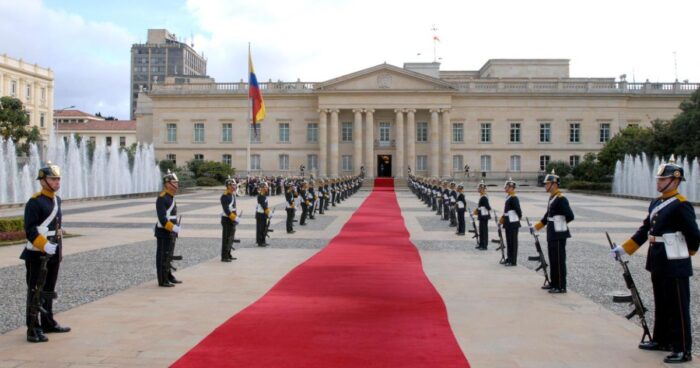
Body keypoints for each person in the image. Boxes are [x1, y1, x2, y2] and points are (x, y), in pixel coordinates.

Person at [611, 156, 699, 363]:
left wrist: (687, 253)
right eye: (658, 179)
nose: (658, 183)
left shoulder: (681, 205)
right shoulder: (656, 202)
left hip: (675, 261)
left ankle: (682, 348)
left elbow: (694, 235)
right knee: (662, 302)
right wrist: (625, 249)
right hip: (658, 259)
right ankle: (662, 339)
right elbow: (645, 230)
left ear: (675, 181)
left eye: (663, 179)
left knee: (678, 306)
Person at [22, 162, 71, 343]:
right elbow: (30, 230)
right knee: (35, 290)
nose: (57, 182)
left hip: (54, 252)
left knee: (48, 290)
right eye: (53, 179)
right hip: (37, 254)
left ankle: (48, 322)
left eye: (58, 179)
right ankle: (33, 328)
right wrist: (44, 245)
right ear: (43, 181)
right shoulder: (34, 202)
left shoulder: (56, 200)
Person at [531, 170, 574, 294]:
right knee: (553, 259)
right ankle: (554, 283)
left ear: (554, 184)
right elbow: (547, 217)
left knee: (559, 260)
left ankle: (561, 286)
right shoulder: (552, 198)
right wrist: (536, 227)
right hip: (552, 233)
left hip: (559, 234)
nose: (545, 185)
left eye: (547, 183)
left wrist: (560, 223)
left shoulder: (561, 199)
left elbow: (570, 216)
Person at [154, 169, 181, 287]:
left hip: (171, 231)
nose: (176, 185)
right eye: (174, 183)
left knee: (168, 255)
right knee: (162, 256)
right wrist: (173, 228)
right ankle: (162, 279)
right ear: (167, 184)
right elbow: (162, 219)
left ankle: (168, 275)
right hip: (163, 231)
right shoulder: (162, 197)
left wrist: (175, 228)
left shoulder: (171, 197)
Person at [499, 178, 521, 266]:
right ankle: (509, 258)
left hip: (513, 223)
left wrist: (517, 218)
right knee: (509, 241)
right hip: (508, 223)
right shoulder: (508, 197)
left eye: (507, 187)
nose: (505, 188)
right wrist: (502, 220)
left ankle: (513, 261)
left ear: (511, 188)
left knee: (513, 242)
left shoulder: (514, 198)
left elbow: (518, 211)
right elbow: (506, 211)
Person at [220, 177, 239, 262]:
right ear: (228, 186)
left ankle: (228, 254)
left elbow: (234, 208)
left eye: (235, 185)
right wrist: (234, 217)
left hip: (232, 219)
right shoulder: (225, 196)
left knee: (231, 238)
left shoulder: (232, 194)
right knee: (226, 238)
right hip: (227, 219)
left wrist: (236, 218)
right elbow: (226, 210)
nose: (235, 186)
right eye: (233, 185)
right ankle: (224, 256)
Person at [475, 181, 491, 250]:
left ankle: (484, 245)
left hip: (484, 216)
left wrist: (479, 209)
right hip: (482, 215)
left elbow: (488, 207)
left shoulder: (484, 197)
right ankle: (481, 244)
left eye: (479, 188)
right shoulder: (482, 196)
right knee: (481, 230)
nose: (478, 189)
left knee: (484, 231)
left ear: (482, 189)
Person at [255, 182, 271, 246]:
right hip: (260, 214)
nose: (267, 188)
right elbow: (263, 205)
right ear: (262, 188)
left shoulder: (264, 194)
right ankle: (260, 242)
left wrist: (268, 212)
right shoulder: (261, 195)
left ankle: (263, 241)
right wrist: (268, 213)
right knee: (260, 229)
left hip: (263, 214)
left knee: (264, 228)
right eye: (265, 187)